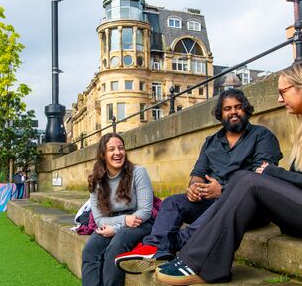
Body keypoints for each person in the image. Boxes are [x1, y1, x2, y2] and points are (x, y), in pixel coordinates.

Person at [156, 61, 302, 286]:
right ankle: (188, 251)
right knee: (243, 178)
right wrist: (274, 176)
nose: (279, 99)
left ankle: (200, 263)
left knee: (250, 180)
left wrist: (274, 173)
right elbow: (298, 184)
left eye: (283, 92)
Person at [114, 88, 282, 274]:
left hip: (247, 207)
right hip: (211, 202)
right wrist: (193, 187)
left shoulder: (262, 136)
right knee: (172, 202)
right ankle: (153, 248)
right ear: (220, 114)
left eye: (238, 107)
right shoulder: (211, 142)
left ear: (246, 110)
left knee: (217, 208)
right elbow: (198, 173)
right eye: (227, 108)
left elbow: (261, 178)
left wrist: (223, 190)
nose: (233, 111)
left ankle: (171, 245)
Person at [61, 133, 154, 286]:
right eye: (112, 149)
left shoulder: (138, 172)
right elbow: (100, 220)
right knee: (91, 250)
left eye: (120, 147)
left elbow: (145, 211)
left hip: (140, 222)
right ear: (103, 154)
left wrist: (121, 226)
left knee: (116, 246)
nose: (117, 152)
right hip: (113, 222)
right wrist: (120, 224)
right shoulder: (96, 181)